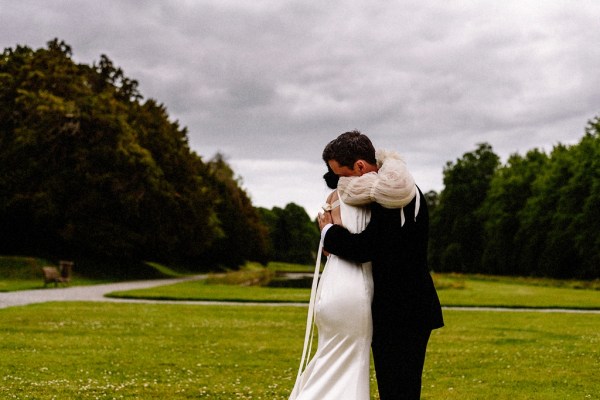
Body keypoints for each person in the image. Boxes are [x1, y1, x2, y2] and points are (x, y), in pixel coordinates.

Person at [318, 130, 444, 400]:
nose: (340, 183)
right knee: (401, 388)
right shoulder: (399, 187)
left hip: (402, 310)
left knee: (398, 389)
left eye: (342, 175)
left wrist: (328, 232)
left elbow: (367, 247)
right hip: (408, 308)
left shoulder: (393, 195)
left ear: (360, 166)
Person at [289, 170, 374, 400]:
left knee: (327, 358)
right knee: (353, 362)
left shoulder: (331, 199)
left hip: (331, 284)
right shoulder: (370, 197)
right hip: (355, 288)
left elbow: (327, 250)